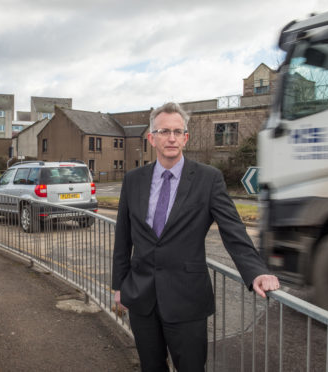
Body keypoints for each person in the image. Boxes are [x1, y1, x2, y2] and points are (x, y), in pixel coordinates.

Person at [112, 102, 280, 372]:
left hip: (187, 300)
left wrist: (256, 271)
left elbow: (233, 230)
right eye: (164, 131)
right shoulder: (134, 180)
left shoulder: (208, 179)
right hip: (141, 298)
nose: (171, 138)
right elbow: (123, 237)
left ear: (186, 138)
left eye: (178, 132)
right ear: (151, 138)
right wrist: (119, 287)